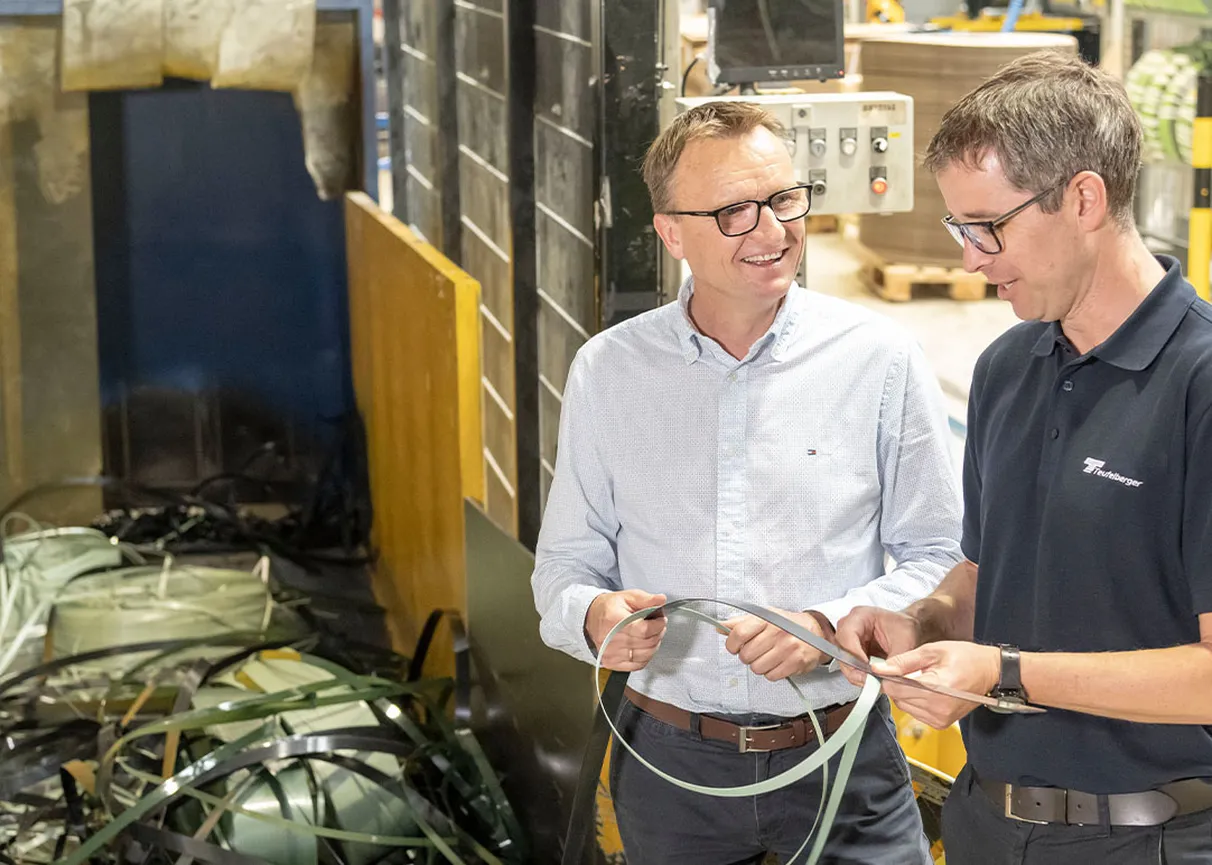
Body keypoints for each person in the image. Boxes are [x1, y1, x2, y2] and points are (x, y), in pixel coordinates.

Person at [531, 100, 963, 865]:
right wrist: (596, 617)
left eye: (784, 199)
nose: (771, 231)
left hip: (843, 753)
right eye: (734, 211)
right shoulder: (610, 371)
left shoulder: (879, 358)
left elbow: (942, 557)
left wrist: (827, 628)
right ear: (671, 232)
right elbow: (563, 568)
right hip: (670, 764)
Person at [835, 51, 1212, 864]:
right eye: (958, 228)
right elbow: (985, 574)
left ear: (1083, 198)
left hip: (1149, 839)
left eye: (988, 226)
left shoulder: (1200, 386)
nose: (969, 257)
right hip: (986, 825)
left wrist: (1005, 672)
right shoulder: (1007, 368)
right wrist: (923, 622)